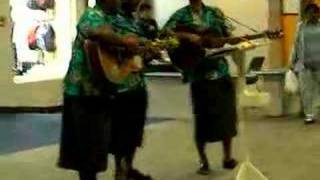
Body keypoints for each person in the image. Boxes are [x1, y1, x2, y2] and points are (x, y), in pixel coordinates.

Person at [57, 0, 140, 180]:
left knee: (95, 148)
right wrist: (125, 42)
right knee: (86, 151)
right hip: (82, 92)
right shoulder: (91, 15)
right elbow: (98, 32)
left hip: (99, 90)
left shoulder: (111, 18)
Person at [163, 0, 238, 175]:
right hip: (197, 73)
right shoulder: (180, 15)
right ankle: (204, 161)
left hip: (220, 71)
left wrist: (230, 41)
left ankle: (227, 157)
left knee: (227, 116)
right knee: (202, 119)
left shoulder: (215, 13)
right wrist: (187, 37)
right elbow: (165, 33)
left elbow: (226, 35)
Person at [108, 0, 160, 179]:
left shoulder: (135, 22)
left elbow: (140, 54)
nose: (137, 3)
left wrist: (150, 53)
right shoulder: (111, 19)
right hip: (119, 84)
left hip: (138, 83)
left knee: (134, 132)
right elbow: (107, 47)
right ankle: (120, 171)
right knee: (121, 133)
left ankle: (128, 168)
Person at [291, 2, 320, 124]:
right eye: (309, 12)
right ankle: (309, 114)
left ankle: (316, 109)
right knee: (306, 90)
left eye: (314, 12)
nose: (312, 14)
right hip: (304, 63)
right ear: (306, 14)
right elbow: (296, 44)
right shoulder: (300, 26)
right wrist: (292, 61)